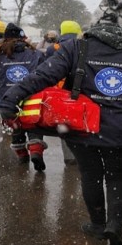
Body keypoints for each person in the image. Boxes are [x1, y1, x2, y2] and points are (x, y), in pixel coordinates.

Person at [0, 0, 122, 245]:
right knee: (119, 177)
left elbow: (42, 76)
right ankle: (115, 226)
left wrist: (10, 99)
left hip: (83, 126)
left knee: (91, 175)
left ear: (96, 20)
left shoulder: (77, 48)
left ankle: (98, 224)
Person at [0, 23, 47, 169]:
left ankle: (22, 155)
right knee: (33, 123)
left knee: (14, 125)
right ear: (22, 38)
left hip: (7, 99)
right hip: (32, 96)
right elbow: (44, 75)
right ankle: (36, 150)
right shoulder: (35, 54)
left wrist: (0, 92)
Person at [44, 20, 84, 166]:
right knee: (81, 120)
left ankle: (69, 156)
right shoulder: (84, 46)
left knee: (64, 121)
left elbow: (47, 70)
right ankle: (82, 154)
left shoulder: (53, 48)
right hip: (80, 89)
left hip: (59, 91)